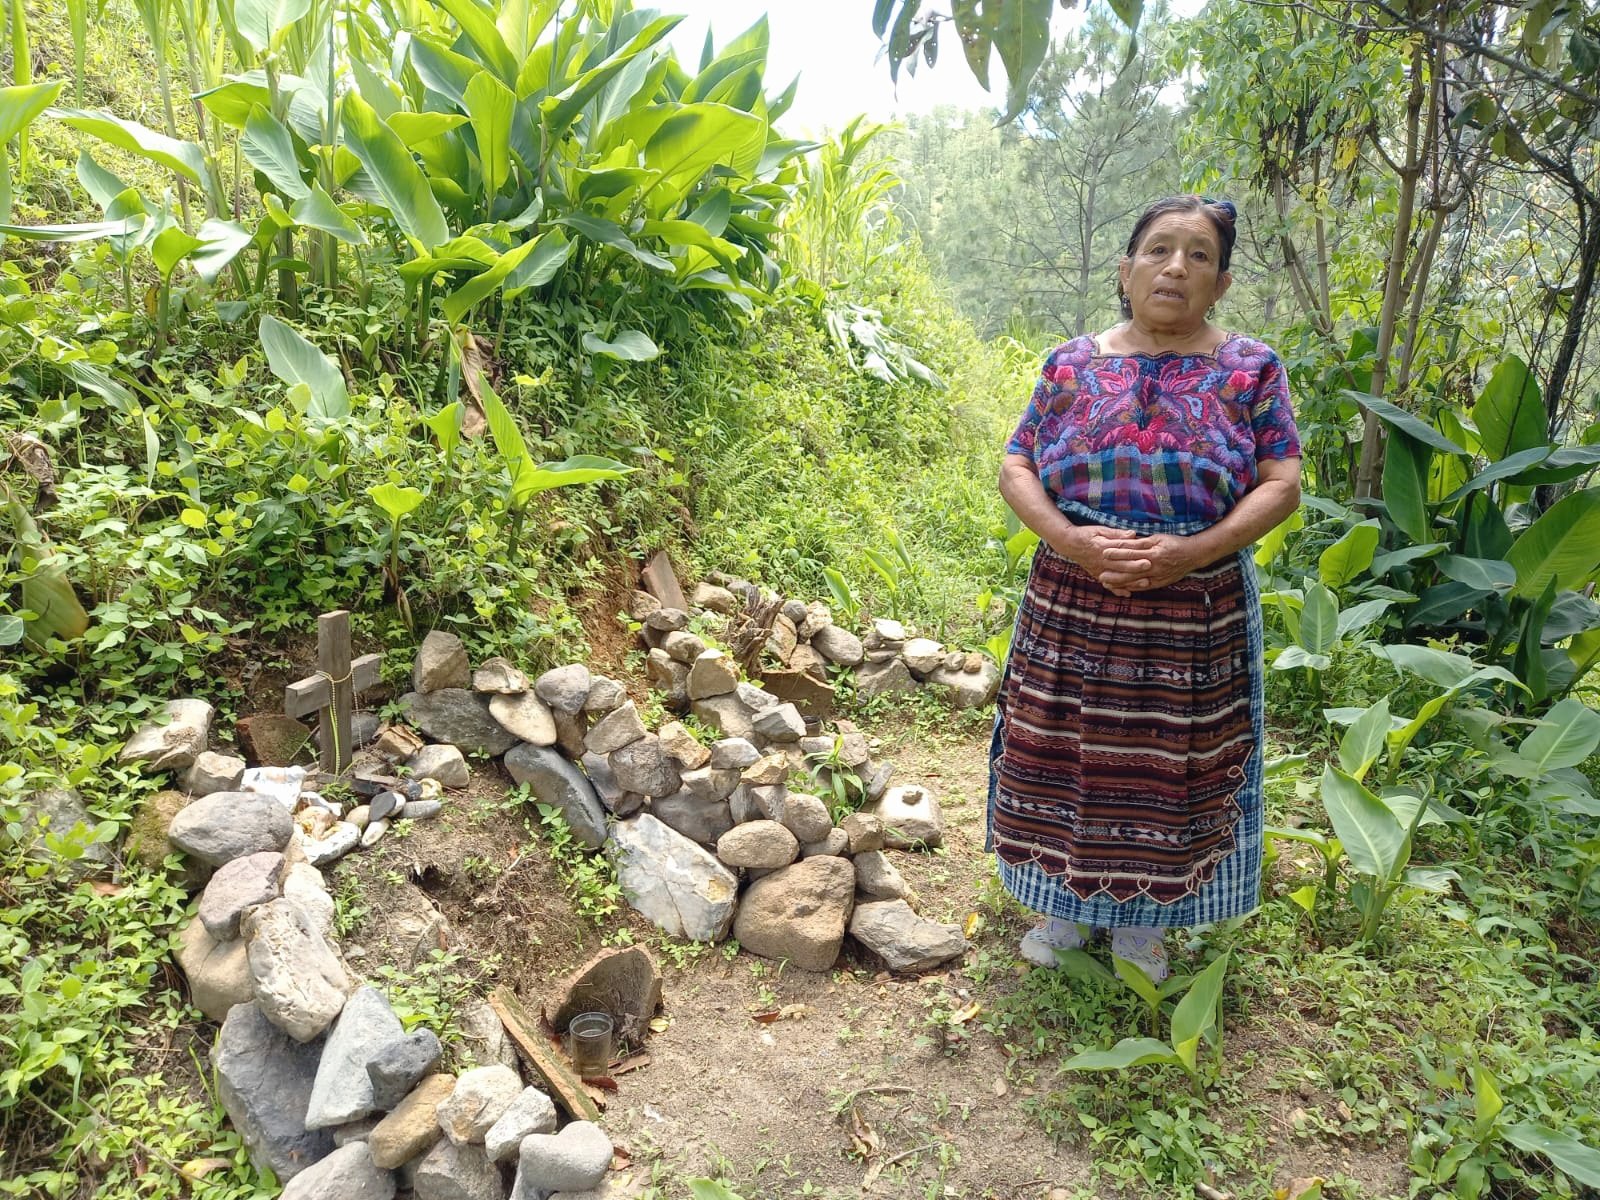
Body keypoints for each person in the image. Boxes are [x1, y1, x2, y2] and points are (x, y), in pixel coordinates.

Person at [988, 195, 1303, 982]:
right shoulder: (1070, 363)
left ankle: (1147, 926)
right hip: (1072, 597)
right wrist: (1071, 541)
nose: (1176, 267)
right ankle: (1064, 905)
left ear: (1221, 283)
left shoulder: (1251, 369)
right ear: (1125, 270)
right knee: (1060, 754)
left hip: (1193, 611)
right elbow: (1017, 462)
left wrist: (1192, 552)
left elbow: (1283, 481)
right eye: (1159, 250)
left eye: (1199, 256)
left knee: (1171, 770)